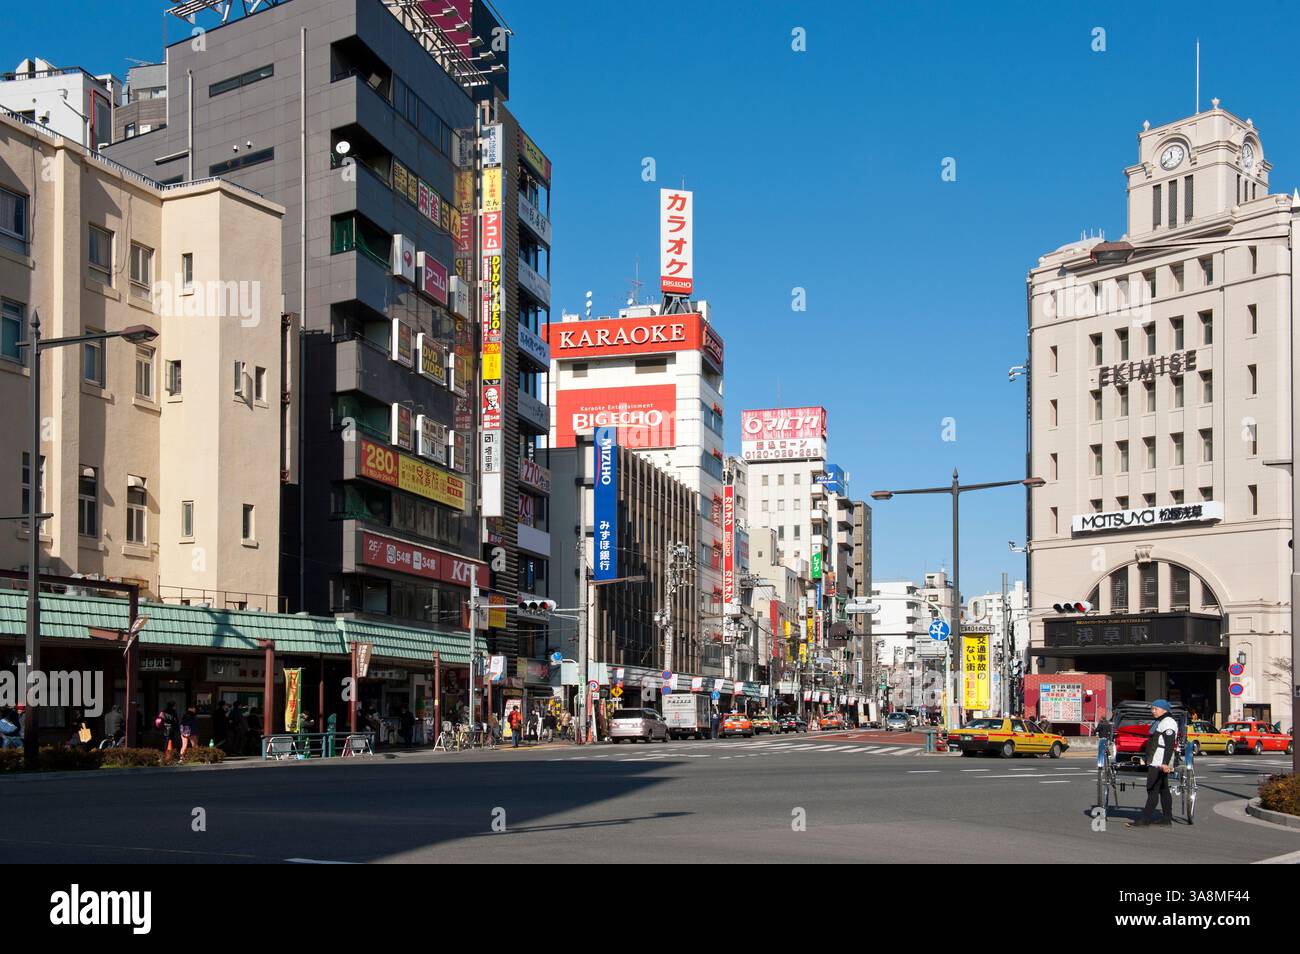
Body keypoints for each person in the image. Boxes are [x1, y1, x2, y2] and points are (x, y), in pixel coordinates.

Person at [1127, 699, 1179, 829]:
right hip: (1157, 760)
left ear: (1164, 709)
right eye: (1152, 708)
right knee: (1163, 789)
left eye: (1155, 709)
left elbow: (1170, 744)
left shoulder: (1168, 722)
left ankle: (1145, 819)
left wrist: (1166, 763)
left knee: (1152, 788)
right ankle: (1167, 819)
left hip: (1160, 761)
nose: (1153, 711)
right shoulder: (1161, 721)